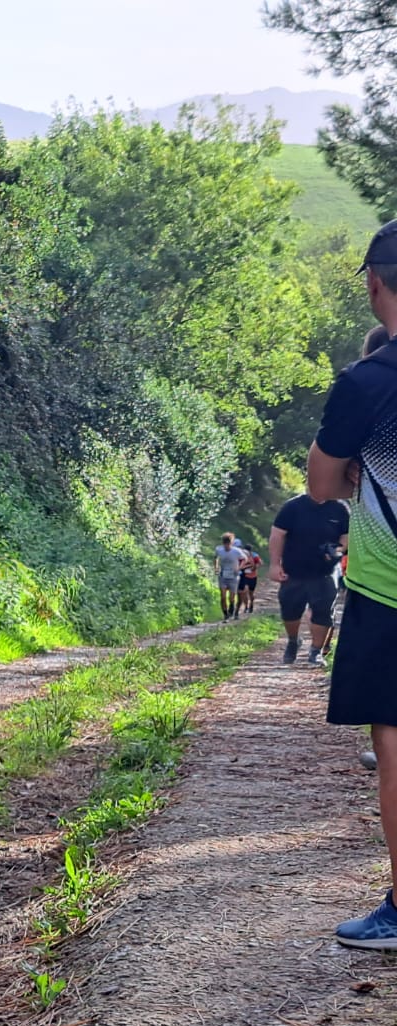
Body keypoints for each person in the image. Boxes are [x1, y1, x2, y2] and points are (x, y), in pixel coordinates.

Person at [316, 221, 397, 948]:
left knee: (396, 745)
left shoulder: (367, 381)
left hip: (388, 589)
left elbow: (319, 483)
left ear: (375, 283)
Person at [268, 493, 349, 665]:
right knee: (290, 610)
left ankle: (316, 651)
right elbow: (277, 535)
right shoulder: (292, 507)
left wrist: (337, 550)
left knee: (323, 611)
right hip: (294, 571)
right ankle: (292, 641)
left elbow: (346, 537)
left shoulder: (340, 509)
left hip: (325, 572)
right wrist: (275, 565)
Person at [214, 533, 246, 621]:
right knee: (223, 596)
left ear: (231, 543)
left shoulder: (236, 551)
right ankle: (225, 614)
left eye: (228, 544)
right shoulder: (219, 550)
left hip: (233, 576)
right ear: (223, 543)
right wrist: (216, 568)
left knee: (231, 598)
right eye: (225, 543)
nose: (226, 546)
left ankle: (231, 608)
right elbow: (215, 558)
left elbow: (245, 559)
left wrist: (239, 568)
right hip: (223, 575)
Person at [238, 543, 260, 614]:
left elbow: (259, 563)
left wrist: (254, 568)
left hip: (253, 576)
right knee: (244, 591)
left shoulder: (255, 556)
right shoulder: (241, 556)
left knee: (251, 593)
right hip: (245, 576)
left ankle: (251, 604)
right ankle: (246, 606)